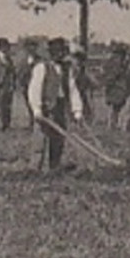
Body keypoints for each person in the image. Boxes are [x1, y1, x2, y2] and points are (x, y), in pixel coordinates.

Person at [27, 39, 85, 173]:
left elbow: (72, 89)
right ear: (52, 53)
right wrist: (36, 108)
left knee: (58, 137)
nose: (61, 55)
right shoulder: (42, 67)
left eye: (62, 52)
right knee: (40, 138)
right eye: (58, 52)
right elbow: (34, 89)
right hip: (45, 107)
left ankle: (54, 165)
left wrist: (77, 110)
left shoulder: (66, 69)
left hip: (59, 105)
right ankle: (34, 167)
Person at [101, 46, 130, 129]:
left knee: (116, 107)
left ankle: (113, 124)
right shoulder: (116, 63)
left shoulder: (115, 62)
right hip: (116, 87)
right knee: (115, 107)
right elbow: (113, 75)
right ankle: (112, 124)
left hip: (117, 87)